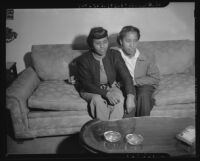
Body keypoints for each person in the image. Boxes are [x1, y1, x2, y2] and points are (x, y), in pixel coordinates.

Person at [76, 27, 135, 121]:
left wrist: (130, 96)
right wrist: (106, 94)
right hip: (90, 90)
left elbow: (126, 76)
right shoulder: (83, 60)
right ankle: (103, 129)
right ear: (91, 45)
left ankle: (114, 129)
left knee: (119, 98)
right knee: (97, 100)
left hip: (110, 86)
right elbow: (86, 84)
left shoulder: (114, 54)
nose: (102, 46)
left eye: (105, 42)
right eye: (98, 43)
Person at [112, 26, 160, 117]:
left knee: (144, 94)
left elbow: (155, 78)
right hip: (125, 87)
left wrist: (135, 81)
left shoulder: (146, 56)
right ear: (121, 41)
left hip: (143, 86)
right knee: (129, 98)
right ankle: (129, 127)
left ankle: (143, 126)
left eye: (135, 41)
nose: (132, 45)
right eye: (128, 41)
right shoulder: (114, 55)